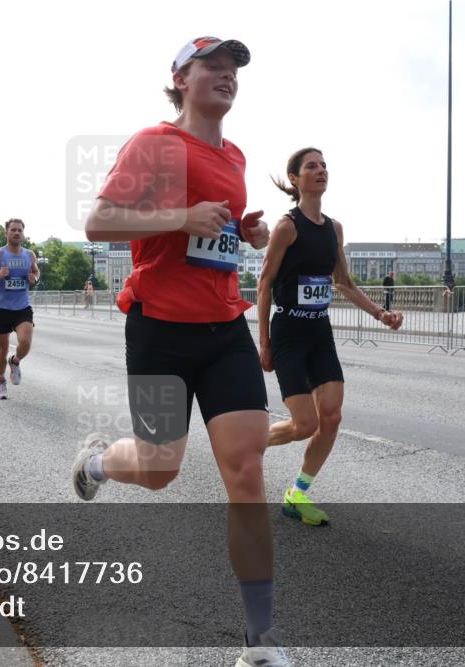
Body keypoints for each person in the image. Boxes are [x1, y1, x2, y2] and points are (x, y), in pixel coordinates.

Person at [68, 37, 287, 667]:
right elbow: (100, 222)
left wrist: (244, 232)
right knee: (161, 469)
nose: (226, 76)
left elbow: (211, 235)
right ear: (180, 79)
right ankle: (97, 464)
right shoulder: (155, 144)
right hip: (160, 327)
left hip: (225, 329)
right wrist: (180, 217)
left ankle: (260, 641)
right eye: (212, 67)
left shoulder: (237, 155)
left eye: (234, 69)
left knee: (245, 473)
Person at [258, 147, 404, 528]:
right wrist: (264, 342)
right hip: (288, 330)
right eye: (312, 166)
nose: (321, 170)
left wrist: (381, 314)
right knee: (303, 424)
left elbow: (344, 283)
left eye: (324, 165)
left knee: (332, 417)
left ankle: (297, 493)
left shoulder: (334, 229)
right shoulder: (287, 227)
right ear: (295, 179)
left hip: (319, 331)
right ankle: (248, 444)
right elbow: (264, 283)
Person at [0, 218, 39, 400]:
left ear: (23, 233)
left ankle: (15, 362)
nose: (16, 233)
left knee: (26, 342)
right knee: (2, 349)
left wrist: (34, 278)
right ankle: (1, 382)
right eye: (13, 230)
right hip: (2, 308)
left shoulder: (29, 255)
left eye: (19, 230)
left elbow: (36, 272)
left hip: (22, 306)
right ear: (6, 233)